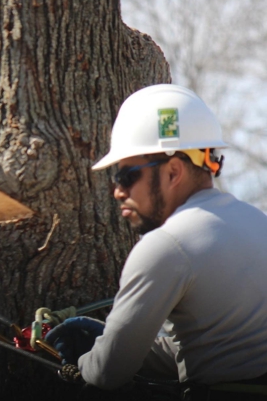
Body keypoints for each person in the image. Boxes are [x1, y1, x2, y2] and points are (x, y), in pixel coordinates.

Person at [46, 84, 267, 392]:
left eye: (127, 176)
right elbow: (212, 349)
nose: (118, 191)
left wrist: (82, 360)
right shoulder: (258, 221)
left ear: (173, 172)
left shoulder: (167, 245)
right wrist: (108, 342)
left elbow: (107, 373)